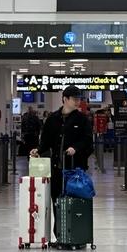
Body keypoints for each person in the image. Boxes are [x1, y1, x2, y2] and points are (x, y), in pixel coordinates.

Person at [30, 85, 93, 236]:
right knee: (57, 200)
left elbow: (88, 141)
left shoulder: (82, 120)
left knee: (75, 200)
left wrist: (75, 149)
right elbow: (45, 141)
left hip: (75, 170)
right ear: (65, 99)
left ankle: (75, 234)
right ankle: (60, 233)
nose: (78, 102)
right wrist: (37, 150)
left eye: (79, 99)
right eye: (75, 99)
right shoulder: (52, 119)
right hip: (57, 168)